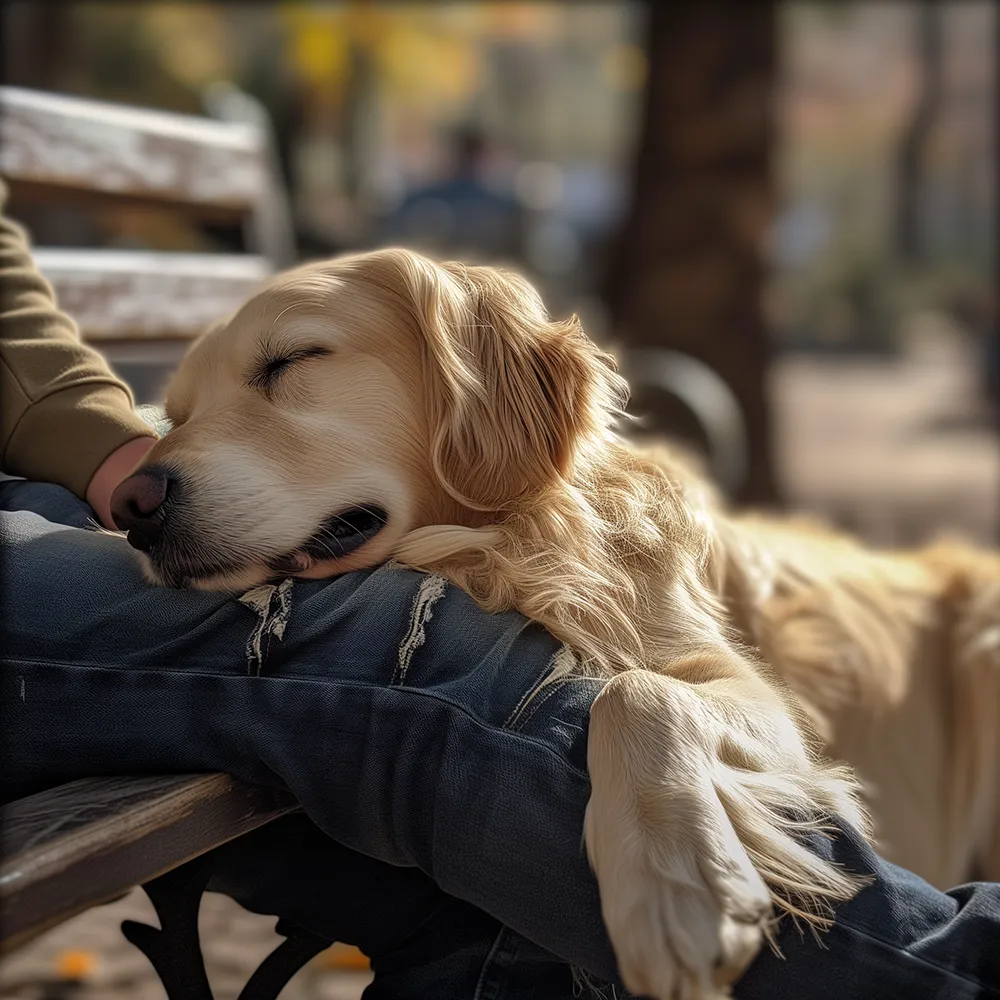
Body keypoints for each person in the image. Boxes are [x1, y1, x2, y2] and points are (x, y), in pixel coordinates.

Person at [2, 179, 998, 1000]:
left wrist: (651, 721)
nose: (162, 478)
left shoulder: (583, 529)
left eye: (289, 363)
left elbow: (727, 696)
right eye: (180, 419)